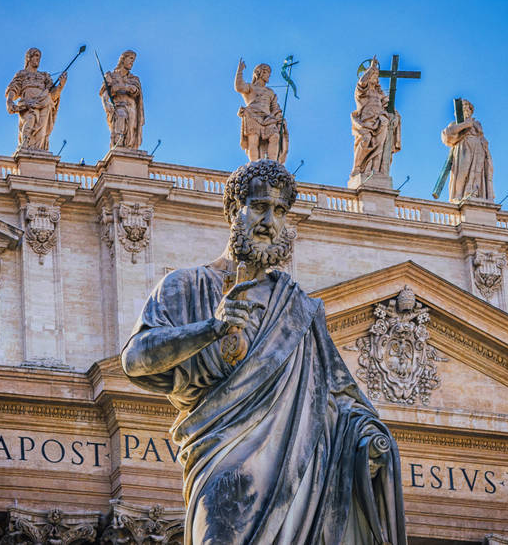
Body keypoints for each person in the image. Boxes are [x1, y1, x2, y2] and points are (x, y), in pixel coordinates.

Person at [121, 159, 406, 545]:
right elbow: (134, 360)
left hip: (296, 481)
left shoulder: (299, 309)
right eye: (258, 207)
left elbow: (339, 400)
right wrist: (210, 328)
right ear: (232, 211)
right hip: (221, 466)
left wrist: (367, 439)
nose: (270, 221)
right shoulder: (188, 286)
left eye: (280, 211)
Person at [5, 48, 66, 152]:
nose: (38, 59)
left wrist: (61, 85)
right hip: (27, 104)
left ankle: (38, 152)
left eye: (39, 57)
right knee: (30, 121)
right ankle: (25, 149)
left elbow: (52, 95)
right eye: (36, 56)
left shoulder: (44, 76)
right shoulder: (22, 74)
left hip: (44, 103)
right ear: (29, 57)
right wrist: (9, 101)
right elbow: (13, 88)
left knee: (41, 132)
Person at [351, 57, 401, 178]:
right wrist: (371, 68)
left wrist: (395, 116)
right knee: (365, 140)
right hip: (366, 123)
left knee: (380, 146)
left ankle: (376, 170)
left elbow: (389, 106)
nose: (375, 77)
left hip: (380, 122)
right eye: (373, 75)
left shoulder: (379, 94)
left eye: (376, 75)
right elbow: (362, 82)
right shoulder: (361, 92)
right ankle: (357, 168)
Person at [235, 60, 288, 163]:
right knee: (253, 140)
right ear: (260, 73)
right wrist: (240, 70)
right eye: (267, 73)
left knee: (275, 136)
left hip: (268, 118)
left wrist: (279, 117)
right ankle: (254, 165)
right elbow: (239, 87)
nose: (269, 76)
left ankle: (272, 164)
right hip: (252, 115)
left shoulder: (270, 92)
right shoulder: (250, 87)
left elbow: (275, 108)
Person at [441, 99, 494, 202]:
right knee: (462, 172)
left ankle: (474, 194)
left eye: (467, 107)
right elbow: (446, 135)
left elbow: (482, 137)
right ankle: (458, 196)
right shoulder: (454, 124)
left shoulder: (477, 124)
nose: (465, 109)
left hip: (478, 148)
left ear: (470, 111)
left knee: (477, 172)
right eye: (463, 108)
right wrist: (465, 125)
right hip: (463, 147)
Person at [101, 50, 144, 149]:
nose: (132, 62)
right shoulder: (111, 76)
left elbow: (136, 91)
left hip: (132, 108)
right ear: (123, 59)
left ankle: (128, 150)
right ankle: (118, 146)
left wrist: (125, 87)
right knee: (121, 118)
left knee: (131, 133)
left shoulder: (134, 78)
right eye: (130, 58)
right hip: (119, 106)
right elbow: (105, 93)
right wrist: (106, 103)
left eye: (133, 60)